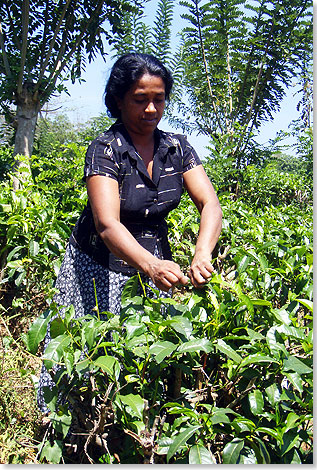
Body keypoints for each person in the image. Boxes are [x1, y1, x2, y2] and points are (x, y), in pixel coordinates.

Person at [37, 53, 222, 413]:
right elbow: (108, 225)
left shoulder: (179, 148)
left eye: (159, 98)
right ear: (119, 100)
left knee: (142, 353)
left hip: (152, 261)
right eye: (140, 100)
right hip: (97, 265)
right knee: (82, 351)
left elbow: (210, 205)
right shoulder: (105, 149)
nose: (151, 109)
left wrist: (202, 253)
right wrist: (152, 266)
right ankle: (61, 431)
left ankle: (134, 429)